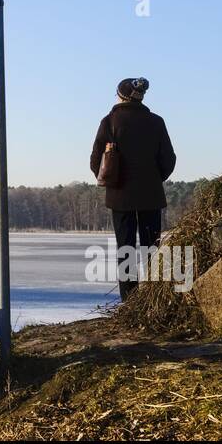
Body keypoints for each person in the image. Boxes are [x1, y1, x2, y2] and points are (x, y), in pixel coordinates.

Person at [89, 77, 176, 300]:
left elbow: (96, 161)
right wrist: (155, 178)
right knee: (153, 249)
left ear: (120, 95)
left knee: (125, 249)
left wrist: (114, 181)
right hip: (151, 195)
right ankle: (156, 299)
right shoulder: (157, 122)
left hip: (120, 197)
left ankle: (129, 302)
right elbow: (169, 159)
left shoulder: (109, 122)